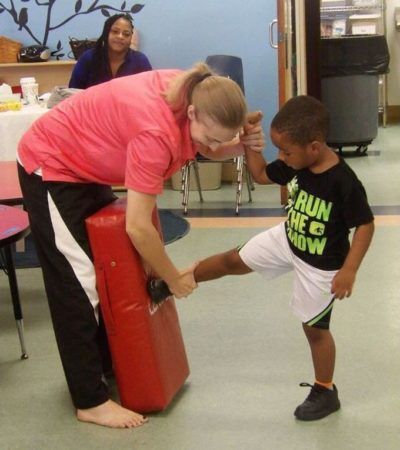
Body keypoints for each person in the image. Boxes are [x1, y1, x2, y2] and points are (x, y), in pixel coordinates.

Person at [17, 63, 264, 429]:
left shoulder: (195, 90)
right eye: (210, 138)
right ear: (192, 113)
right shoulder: (156, 131)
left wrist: (237, 145)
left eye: (218, 139)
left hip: (86, 163)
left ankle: (102, 367)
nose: (212, 146)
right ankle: (90, 400)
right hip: (51, 164)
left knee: (106, 272)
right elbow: (139, 228)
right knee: (78, 282)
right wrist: (173, 278)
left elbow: (201, 146)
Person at [178, 95, 375, 421]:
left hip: (321, 263)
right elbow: (260, 174)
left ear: (314, 147)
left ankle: (326, 390)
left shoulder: (343, 181)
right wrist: (249, 140)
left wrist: (349, 270)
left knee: (315, 329)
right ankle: (179, 280)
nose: (281, 158)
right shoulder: (298, 161)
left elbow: (365, 225)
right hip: (289, 238)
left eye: (286, 152)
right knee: (232, 261)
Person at [68, 14, 152, 89]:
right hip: (91, 106)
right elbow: (73, 93)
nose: (120, 37)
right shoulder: (88, 58)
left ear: (130, 39)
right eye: (115, 32)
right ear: (106, 33)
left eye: (126, 34)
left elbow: (149, 93)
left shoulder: (140, 61)